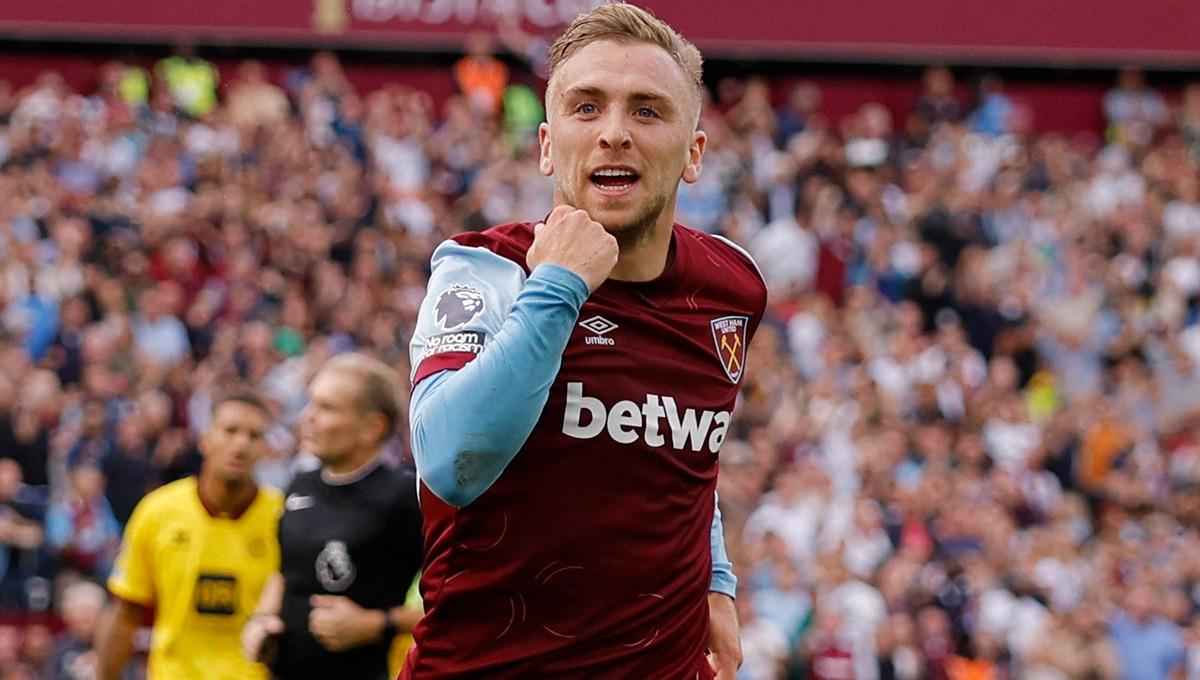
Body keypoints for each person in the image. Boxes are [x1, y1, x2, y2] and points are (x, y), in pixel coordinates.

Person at [404, 4, 766, 678]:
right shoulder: (487, 271)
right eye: (587, 108)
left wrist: (715, 577)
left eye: (648, 111)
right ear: (547, 145)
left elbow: (688, 451)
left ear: (693, 154)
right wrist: (560, 285)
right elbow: (451, 463)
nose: (614, 134)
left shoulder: (731, 288)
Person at [240, 353, 423, 680]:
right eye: (310, 403)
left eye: (326, 408)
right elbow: (285, 573)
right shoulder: (299, 484)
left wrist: (376, 624)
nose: (306, 417)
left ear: (372, 427)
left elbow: (455, 605)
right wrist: (262, 621)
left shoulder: (404, 498)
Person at [94, 392, 282, 680]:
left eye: (254, 435)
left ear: (267, 449)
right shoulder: (157, 512)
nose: (241, 444)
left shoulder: (282, 518)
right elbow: (126, 613)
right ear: (205, 439)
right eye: (230, 431)